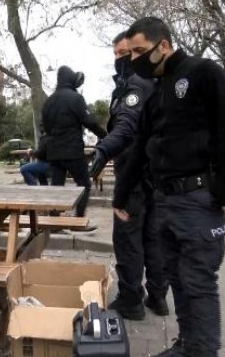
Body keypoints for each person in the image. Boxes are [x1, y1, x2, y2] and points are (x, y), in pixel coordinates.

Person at [113, 17, 225, 357]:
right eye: (131, 54)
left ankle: (201, 351)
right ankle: (187, 344)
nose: (135, 59)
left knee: (198, 281)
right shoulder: (157, 92)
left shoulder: (203, 73)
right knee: (177, 278)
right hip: (166, 202)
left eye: (141, 51)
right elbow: (141, 145)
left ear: (165, 46)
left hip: (198, 200)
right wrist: (122, 193)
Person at [89, 31, 168, 320]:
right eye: (117, 55)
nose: (122, 60)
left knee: (129, 238)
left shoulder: (136, 84)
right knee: (153, 238)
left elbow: (125, 127)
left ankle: (132, 299)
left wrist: (103, 149)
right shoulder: (157, 82)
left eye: (127, 53)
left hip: (134, 175)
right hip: (156, 173)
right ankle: (158, 297)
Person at [42, 65, 107, 217]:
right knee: (84, 184)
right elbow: (90, 122)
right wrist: (107, 136)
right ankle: (78, 221)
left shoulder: (49, 101)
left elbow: (46, 127)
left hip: (54, 152)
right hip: (72, 151)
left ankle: (54, 222)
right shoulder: (75, 98)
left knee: (56, 188)